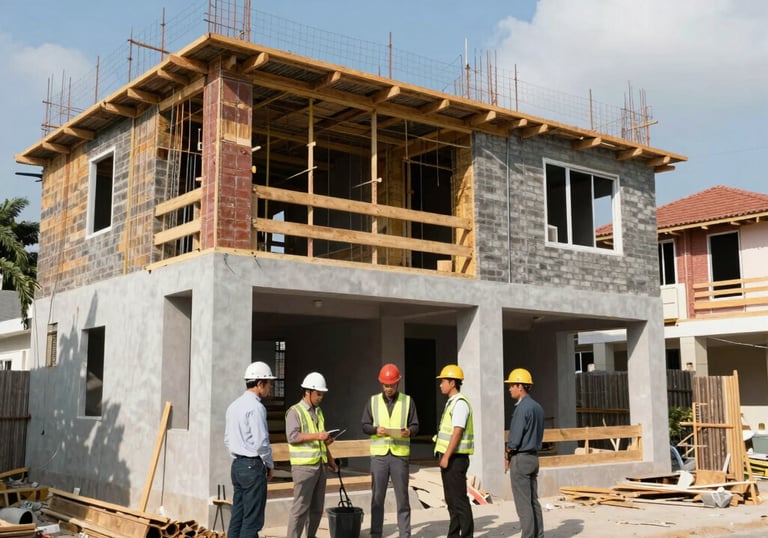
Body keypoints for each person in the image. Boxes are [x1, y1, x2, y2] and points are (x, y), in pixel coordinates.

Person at [361, 363, 419, 538]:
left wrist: (409, 432)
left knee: (402, 498)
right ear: (381, 384)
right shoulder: (373, 401)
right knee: (377, 498)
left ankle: (405, 534)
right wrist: (375, 429)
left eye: (391, 385)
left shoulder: (407, 401)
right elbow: (364, 425)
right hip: (379, 457)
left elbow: (415, 426)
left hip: (399, 457)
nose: (388, 388)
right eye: (386, 385)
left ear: (397, 383)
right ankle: (376, 533)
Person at [224, 361, 277, 538]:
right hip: (252, 466)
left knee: (237, 517)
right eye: (269, 384)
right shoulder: (256, 407)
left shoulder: (233, 406)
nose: (270, 388)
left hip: (237, 465)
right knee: (252, 521)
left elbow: (227, 439)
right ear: (260, 383)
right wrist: (269, 464)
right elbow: (261, 442)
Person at [285, 372, 337, 538]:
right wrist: (317, 436)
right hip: (304, 468)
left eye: (322, 394)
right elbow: (292, 437)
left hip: (320, 466)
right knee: (300, 508)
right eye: (318, 394)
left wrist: (331, 460)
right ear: (308, 391)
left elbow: (320, 439)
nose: (320, 397)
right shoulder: (294, 412)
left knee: (316, 508)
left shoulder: (319, 412)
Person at [434, 364, 474, 538]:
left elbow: (457, 431)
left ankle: (466, 535)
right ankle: (453, 535)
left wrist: (446, 457)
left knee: (459, 501)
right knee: (451, 501)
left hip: (455, 459)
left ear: (452, 383)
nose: (440, 384)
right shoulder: (451, 403)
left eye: (443, 381)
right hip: (450, 458)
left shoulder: (460, 404)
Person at [504, 368, 545, 538]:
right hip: (533, 457)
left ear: (520, 386)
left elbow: (514, 440)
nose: (509, 389)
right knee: (533, 501)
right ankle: (538, 535)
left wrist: (507, 453)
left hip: (521, 459)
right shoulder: (537, 407)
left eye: (512, 385)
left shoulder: (522, 409)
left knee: (523, 504)